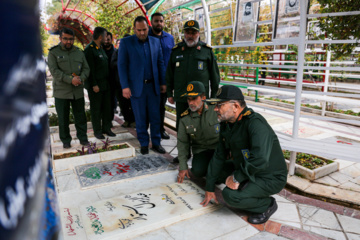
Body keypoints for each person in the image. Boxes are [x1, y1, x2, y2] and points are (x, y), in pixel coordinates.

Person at [200, 85, 288, 225]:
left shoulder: (255, 123)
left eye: (219, 105)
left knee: (230, 195)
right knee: (214, 169)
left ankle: (267, 204)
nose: (215, 109)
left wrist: (236, 178)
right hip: (247, 167)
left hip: (269, 176)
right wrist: (209, 187)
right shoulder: (227, 123)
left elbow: (260, 159)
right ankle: (245, 186)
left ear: (235, 106)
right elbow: (219, 156)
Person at [166, 20, 220, 162]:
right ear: (184, 33)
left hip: (200, 100)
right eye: (187, 32)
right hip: (182, 98)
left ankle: (199, 153)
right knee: (182, 126)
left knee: (201, 126)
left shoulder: (207, 51)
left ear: (198, 33)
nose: (190, 35)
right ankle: (184, 154)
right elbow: (169, 74)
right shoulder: (176, 50)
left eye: (193, 32)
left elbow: (215, 78)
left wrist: (213, 98)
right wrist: (169, 94)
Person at [118, 16, 166, 155]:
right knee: (140, 118)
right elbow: (122, 66)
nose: (142, 33)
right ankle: (144, 144)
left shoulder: (155, 42)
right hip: (136, 88)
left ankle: (156, 143)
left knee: (156, 117)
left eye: (144, 30)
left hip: (153, 87)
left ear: (148, 27)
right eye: (138, 30)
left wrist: (163, 82)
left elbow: (160, 63)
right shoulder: (126, 43)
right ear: (134, 29)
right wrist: (125, 86)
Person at [47, 27, 90, 148]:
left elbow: (86, 68)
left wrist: (81, 78)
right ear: (60, 38)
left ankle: (83, 138)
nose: (68, 42)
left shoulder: (79, 52)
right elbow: (54, 71)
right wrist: (71, 80)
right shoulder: (53, 53)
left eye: (71, 39)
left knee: (80, 116)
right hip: (61, 92)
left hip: (77, 91)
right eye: (65, 39)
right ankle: (66, 140)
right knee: (63, 118)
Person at [176, 81, 220, 183]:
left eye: (194, 99)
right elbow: (182, 143)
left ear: (203, 98)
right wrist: (183, 166)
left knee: (217, 177)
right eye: (188, 99)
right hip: (201, 149)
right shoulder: (184, 118)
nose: (191, 103)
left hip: (219, 148)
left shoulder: (216, 108)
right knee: (198, 172)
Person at [84, 26, 116, 139]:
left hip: (105, 84)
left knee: (107, 108)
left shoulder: (100, 48)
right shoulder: (89, 49)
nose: (107, 38)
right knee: (96, 109)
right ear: (101, 36)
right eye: (106, 36)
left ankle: (106, 128)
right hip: (96, 85)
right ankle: (97, 131)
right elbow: (90, 69)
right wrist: (94, 84)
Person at [149, 12, 175, 140]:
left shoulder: (169, 38)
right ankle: (148, 129)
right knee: (150, 107)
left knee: (160, 107)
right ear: (151, 22)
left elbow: (172, 60)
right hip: (148, 80)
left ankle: (160, 130)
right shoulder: (145, 37)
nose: (159, 23)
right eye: (156, 21)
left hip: (164, 80)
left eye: (161, 21)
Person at [110, 34, 136, 128]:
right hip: (119, 83)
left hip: (132, 83)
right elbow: (112, 64)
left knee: (132, 103)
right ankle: (127, 120)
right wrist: (122, 63)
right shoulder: (117, 52)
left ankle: (133, 120)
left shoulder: (133, 51)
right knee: (123, 104)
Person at [103, 32, 117, 121]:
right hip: (103, 81)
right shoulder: (99, 51)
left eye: (108, 39)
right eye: (105, 39)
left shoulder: (116, 52)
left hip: (113, 81)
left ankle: (110, 120)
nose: (107, 41)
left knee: (112, 101)